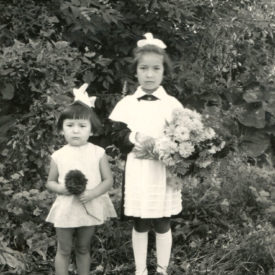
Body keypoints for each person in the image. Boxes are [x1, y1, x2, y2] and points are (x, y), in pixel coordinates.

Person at [109, 33, 183, 275]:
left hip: (163, 170)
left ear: (163, 71)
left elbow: (184, 137)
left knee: (163, 220)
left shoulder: (172, 104)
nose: (149, 74)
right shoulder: (127, 104)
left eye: (155, 68)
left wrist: (169, 147)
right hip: (139, 171)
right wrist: (136, 138)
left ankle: (162, 270)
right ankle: (140, 270)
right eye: (144, 68)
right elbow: (115, 134)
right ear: (136, 71)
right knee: (140, 220)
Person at [45, 84, 117, 275]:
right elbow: (50, 182)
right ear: (62, 130)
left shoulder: (98, 153)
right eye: (70, 125)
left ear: (92, 130)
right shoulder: (59, 155)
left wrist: (93, 193)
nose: (75, 131)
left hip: (89, 204)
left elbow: (108, 180)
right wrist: (62, 189)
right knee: (64, 248)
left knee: (83, 248)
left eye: (82, 126)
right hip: (66, 207)